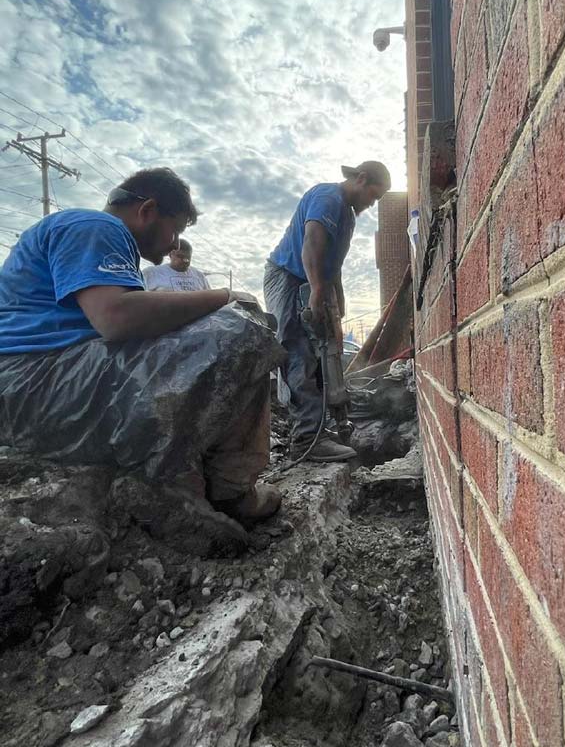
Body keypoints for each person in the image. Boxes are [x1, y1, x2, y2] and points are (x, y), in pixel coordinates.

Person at [0, 167, 282, 527]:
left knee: (201, 330)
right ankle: (233, 489)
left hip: (33, 387)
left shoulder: (92, 235)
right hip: (36, 384)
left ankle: (186, 471)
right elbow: (116, 318)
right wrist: (225, 296)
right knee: (244, 328)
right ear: (147, 210)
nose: (174, 244)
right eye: (175, 229)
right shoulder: (98, 227)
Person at [263, 161, 391, 462]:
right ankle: (306, 439)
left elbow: (333, 263)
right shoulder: (327, 197)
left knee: (325, 355)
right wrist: (318, 291)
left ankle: (319, 427)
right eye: (372, 197)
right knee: (297, 351)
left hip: (313, 281)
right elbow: (312, 244)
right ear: (360, 179)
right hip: (289, 277)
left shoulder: (346, 215)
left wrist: (337, 302)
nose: (371, 204)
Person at [143, 238, 210, 292]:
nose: (184, 260)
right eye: (180, 256)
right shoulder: (152, 273)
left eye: (187, 258)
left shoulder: (199, 276)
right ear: (170, 254)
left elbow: (208, 299)